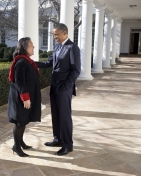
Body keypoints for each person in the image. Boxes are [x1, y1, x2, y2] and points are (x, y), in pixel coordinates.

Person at [35, 23, 81, 156]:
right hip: (54, 86)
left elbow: (76, 70)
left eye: (56, 34)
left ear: (65, 33)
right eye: (54, 34)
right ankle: (58, 139)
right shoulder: (57, 47)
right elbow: (48, 63)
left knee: (65, 116)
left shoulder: (73, 48)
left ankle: (68, 145)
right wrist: (31, 63)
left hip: (64, 88)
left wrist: (66, 86)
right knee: (55, 115)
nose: (54, 37)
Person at [7, 37, 41, 157]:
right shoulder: (21, 62)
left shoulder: (26, 60)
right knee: (20, 122)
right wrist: (25, 98)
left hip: (23, 96)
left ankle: (20, 142)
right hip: (20, 98)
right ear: (25, 47)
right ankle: (16, 147)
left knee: (24, 120)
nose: (34, 47)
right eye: (32, 45)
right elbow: (20, 81)